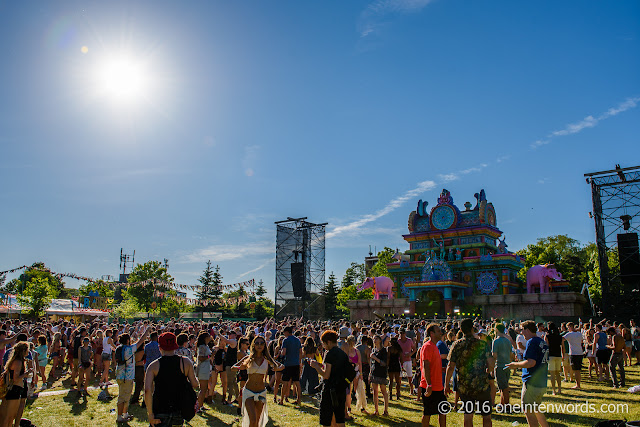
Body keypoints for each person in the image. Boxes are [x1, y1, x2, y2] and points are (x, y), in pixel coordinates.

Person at [444, 318, 494, 427]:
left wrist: (446, 384)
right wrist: (487, 372)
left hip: (464, 386)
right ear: (472, 329)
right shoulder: (482, 344)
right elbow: (491, 363)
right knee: (486, 416)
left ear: (461, 330)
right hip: (482, 385)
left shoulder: (456, 345)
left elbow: (450, 366)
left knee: (468, 415)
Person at [145, 332, 199, 427]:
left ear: (160, 347)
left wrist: (150, 414)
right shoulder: (185, 362)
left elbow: (147, 390)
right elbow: (195, 384)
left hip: (159, 410)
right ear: (175, 345)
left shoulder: (153, 366)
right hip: (178, 409)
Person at [231, 336, 284, 427]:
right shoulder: (248, 358)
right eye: (257, 343)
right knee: (253, 419)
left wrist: (276, 368)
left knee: (258, 422)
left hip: (261, 392)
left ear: (264, 346)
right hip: (249, 391)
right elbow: (233, 368)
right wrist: (241, 367)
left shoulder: (267, 359)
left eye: (262, 343)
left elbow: (282, 366)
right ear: (253, 345)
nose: (259, 345)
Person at [506, 321, 549, 427]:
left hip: (531, 382)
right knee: (536, 409)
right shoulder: (541, 341)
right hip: (541, 381)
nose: (521, 333)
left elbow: (531, 362)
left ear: (527, 330)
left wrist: (515, 365)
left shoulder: (532, 342)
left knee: (528, 410)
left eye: (522, 330)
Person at [310, 330, 349, 427]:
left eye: (323, 343)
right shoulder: (343, 354)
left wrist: (316, 367)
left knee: (327, 419)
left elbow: (326, 375)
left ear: (328, 342)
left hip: (330, 390)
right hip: (341, 389)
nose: (323, 346)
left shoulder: (329, 353)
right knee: (339, 419)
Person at [115, 326, 151, 423]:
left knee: (123, 395)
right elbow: (141, 341)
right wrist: (147, 331)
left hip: (119, 374)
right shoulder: (129, 349)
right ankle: (119, 416)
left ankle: (125, 414)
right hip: (127, 375)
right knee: (124, 397)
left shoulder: (118, 348)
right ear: (127, 340)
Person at [420, 323, 447, 427]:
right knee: (428, 413)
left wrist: (442, 370)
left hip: (438, 386)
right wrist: (429, 385)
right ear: (432, 333)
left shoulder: (435, 346)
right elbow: (426, 366)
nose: (441, 333)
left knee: (443, 410)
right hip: (430, 386)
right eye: (438, 331)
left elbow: (432, 365)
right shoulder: (427, 346)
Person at [0, 342, 30, 427]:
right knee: (8, 417)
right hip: (14, 390)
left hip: (14, 389)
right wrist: (26, 374)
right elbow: (15, 378)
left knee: (10, 417)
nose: (28, 351)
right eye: (27, 349)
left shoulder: (16, 360)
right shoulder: (18, 362)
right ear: (23, 350)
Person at [279, 326, 302, 405]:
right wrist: (299, 362)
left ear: (287, 332)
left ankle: (281, 400)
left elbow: (284, 352)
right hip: (296, 364)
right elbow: (300, 352)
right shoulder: (297, 340)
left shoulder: (286, 340)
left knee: (284, 382)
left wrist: (281, 352)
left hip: (288, 363)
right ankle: (299, 400)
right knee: (297, 383)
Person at [492, 323, 512, 408]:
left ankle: (507, 405)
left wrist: (491, 367)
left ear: (496, 330)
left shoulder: (496, 341)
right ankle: (502, 403)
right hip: (507, 365)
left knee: (504, 388)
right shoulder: (507, 340)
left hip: (499, 366)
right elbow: (511, 354)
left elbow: (494, 356)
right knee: (503, 386)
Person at [369, 335, 389, 416]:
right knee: (375, 392)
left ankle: (386, 410)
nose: (374, 340)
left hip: (381, 373)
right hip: (374, 373)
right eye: (374, 339)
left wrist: (375, 358)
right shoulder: (373, 350)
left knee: (383, 391)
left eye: (376, 338)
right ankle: (376, 410)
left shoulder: (383, 351)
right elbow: (372, 363)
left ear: (380, 340)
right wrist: (370, 373)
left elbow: (384, 363)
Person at [194, 331, 212, 413]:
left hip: (206, 368)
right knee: (203, 389)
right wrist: (210, 356)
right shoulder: (202, 347)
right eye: (208, 336)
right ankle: (197, 407)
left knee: (204, 389)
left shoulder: (206, 346)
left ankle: (200, 405)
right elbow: (201, 357)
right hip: (203, 369)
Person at [563, 322, 584, 389]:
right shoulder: (579, 334)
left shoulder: (569, 334)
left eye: (568, 327)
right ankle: (578, 384)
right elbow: (581, 342)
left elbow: (562, 339)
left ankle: (578, 385)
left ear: (570, 327)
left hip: (573, 353)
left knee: (576, 370)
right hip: (580, 353)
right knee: (578, 370)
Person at [544, 322, 563, 395]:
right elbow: (562, 346)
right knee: (558, 373)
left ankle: (554, 390)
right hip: (558, 355)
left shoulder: (548, 336)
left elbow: (546, 346)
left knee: (552, 374)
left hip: (551, 355)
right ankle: (560, 389)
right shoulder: (559, 336)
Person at [398, 328, 416, 396]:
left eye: (402, 333)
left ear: (405, 334)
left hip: (408, 360)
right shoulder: (398, 341)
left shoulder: (409, 340)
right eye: (400, 333)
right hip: (400, 361)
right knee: (399, 377)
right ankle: (398, 391)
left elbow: (414, 349)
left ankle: (411, 390)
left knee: (410, 376)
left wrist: (410, 354)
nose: (401, 335)